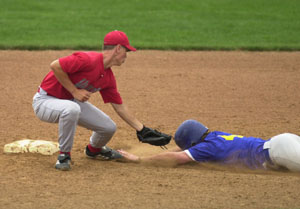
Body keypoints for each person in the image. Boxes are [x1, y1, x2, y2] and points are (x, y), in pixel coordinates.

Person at [32, 30, 170, 171]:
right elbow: (55, 65)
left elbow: (119, 107)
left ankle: (94, 150)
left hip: (71, 102)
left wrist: (141, 129)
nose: (126, 56)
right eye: (126, 51)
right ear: (118, 48)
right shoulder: (87, 59)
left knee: (108, 127)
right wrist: (74, 91)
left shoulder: (108, 77)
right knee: (72, 109)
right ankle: (64, 155)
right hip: (45, 101)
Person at [119, 119, 300, 172]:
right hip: (283, 141)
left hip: (281, 153)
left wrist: (140, 159)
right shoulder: (215, 136)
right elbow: (185, 150)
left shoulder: (206, 148)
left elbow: (179, 156)